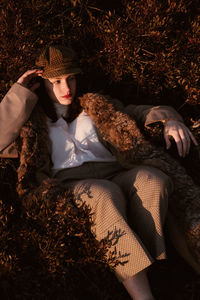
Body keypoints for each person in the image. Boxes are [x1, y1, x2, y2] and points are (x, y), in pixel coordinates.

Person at [0, 44, 198, 300]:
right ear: (42, 83)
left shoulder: (95, 105)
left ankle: (149, 265)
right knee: (103, 193)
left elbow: (139, 112)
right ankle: (143, 294)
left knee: (154, 179)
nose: (66, 88)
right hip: (70, 183)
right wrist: (18, 93)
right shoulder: (32, 122)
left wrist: (170, 119)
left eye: (70, 78)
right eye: (56, 81)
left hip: (116, 172)